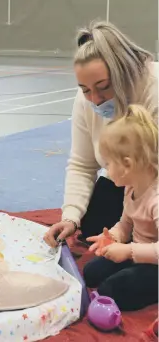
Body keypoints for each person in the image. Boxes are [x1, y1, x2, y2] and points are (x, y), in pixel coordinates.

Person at [44, 20, 157, 247]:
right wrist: (71, 217)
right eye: (85, 90)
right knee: (95, 232)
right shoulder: (86, 101)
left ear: (123, 73)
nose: (95, 99)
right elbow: (82, 164)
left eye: (104, 87)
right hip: (128, 181)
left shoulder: (154, 89)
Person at [83, 104, 158, 311]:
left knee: (111, 290)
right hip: (138, 255)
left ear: (127, 164)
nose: (105, 169)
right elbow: (126, 223)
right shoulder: (130, 188)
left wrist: (127, 251)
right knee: (91, 273)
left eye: (108, 164)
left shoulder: (156, 199)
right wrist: (114, 236)